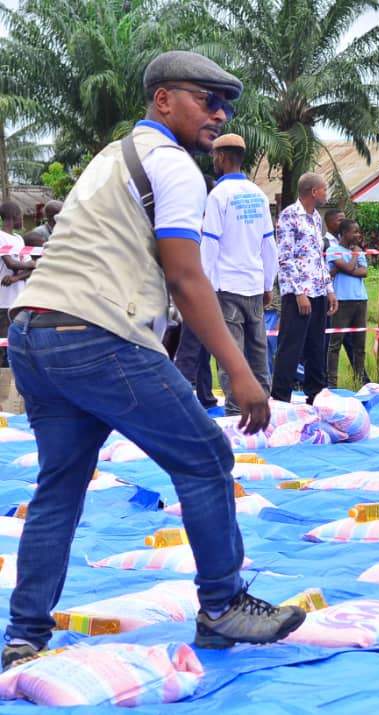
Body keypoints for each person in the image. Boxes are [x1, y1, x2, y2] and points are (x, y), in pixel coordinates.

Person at [1, 51, 306, 672]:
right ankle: (223, 605)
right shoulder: (175, 166)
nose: (218, 115)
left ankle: (24, 636)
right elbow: (188, 278)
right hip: (97, 334)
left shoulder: (112, 157)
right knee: (206, 457)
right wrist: (243, 373)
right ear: (163, 99)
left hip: (35, 333)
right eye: (205, 100)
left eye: (225, 106)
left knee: (59, 487)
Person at [200, 132, 276, 416]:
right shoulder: (258, 195)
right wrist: (268, 283)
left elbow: (210, 244)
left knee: (230, 355)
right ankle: (262, 409)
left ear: (220, 157)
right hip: (254, 285)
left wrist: (205, 286)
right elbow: (269, 244)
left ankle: (236, 414)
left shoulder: (218, 195)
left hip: (225, 287)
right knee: (258, 351)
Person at [271, 172, 338, 403]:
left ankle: (316, 394)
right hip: (299, 294)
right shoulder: (289, 216)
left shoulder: (315, 218)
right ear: (313, 191)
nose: (326, 194)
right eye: (324, 190)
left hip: (318, 290)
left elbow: (318, 258)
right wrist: (299, 292)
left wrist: (329, 289)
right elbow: (285, 258)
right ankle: (280, 397)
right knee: (291, 346)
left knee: (316, 345)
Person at [326, 218, 369, 388]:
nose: (358, 235)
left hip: (360, 299)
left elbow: (364, 272)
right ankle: (332, 384)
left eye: (358, 231)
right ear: (343, 233)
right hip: (341, 300)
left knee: (360, 344)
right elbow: (351, 268)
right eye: (354, 231)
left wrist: (344, 267)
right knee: (335, 343)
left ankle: (359, 381)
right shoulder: (333, 249)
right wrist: (354, 258)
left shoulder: (359, 250)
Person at [0, 201, 32, 369]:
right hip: (3, 303)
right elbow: (11, 263)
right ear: (14, 216)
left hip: (19, 301)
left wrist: (14, 279)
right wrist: (33, 265)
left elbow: (29, 267)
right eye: (20, 215)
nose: (22, 219)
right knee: (4, 346)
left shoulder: (19, 239)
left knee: (17, 345)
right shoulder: (1, 237)